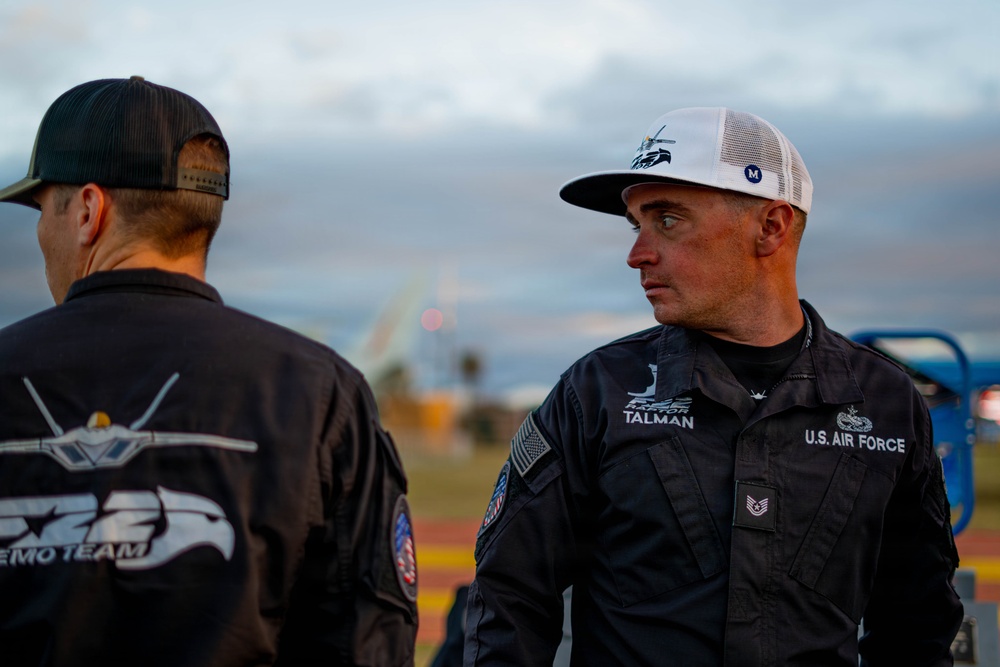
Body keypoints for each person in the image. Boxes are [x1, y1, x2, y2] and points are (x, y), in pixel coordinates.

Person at [465, 107, 963, 666]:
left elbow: (918, 626)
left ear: (771, 226)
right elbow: (509, 600)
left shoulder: (886, 402)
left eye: (668, 219)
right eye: (637, 224)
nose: (637, 254)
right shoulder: (598, 391)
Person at [0, 77, 417, 666]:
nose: (41, 233)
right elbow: (368, 642)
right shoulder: (322, 394)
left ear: (89, 210)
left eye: (42, 209)